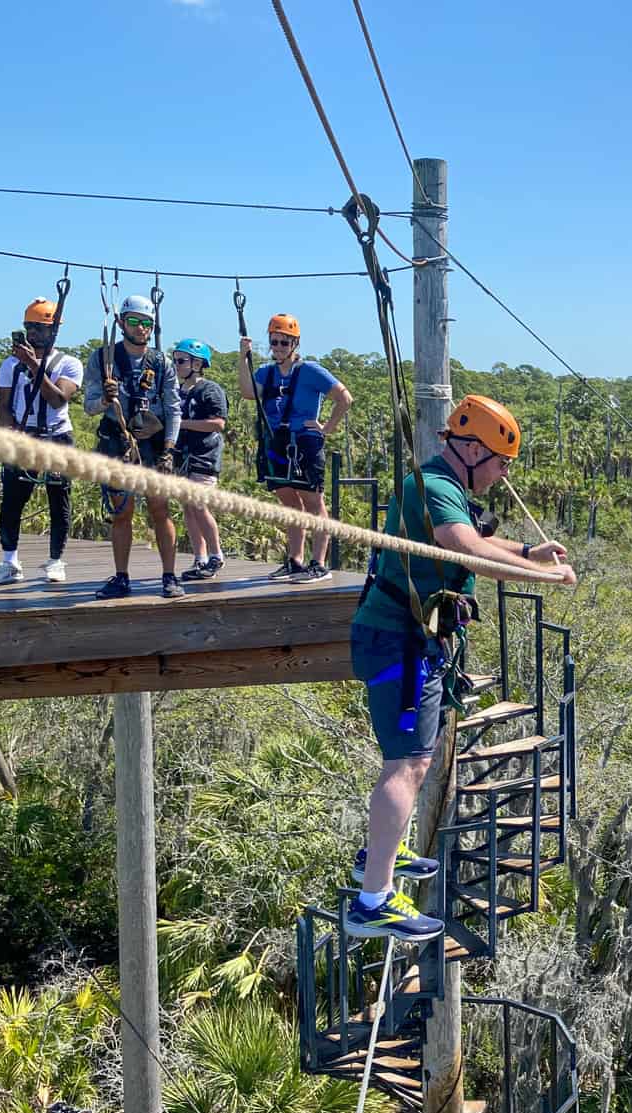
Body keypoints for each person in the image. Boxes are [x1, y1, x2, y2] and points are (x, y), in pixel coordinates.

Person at [345, 395, 576, 940]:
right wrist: (537, 575)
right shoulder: (429, 486)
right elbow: (463, 545)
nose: (501, 475)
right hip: (398, 643)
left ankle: (377, 857)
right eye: (499, 462)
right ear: (471, 449)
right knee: (409, 763)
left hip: (410, 640)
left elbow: (475, 534)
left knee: (411, 759)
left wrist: (528, 550)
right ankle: (372, 900)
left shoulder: (444, 487)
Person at [82, 295, 185, 599]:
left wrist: (168, 449)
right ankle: (121, 577)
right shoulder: (103, 359)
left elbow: (173, 408)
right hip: (118, 440)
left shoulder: (161, 362)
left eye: (147, 324)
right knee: (121, 511)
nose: (142, 329)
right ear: (121, 323)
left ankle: (169, 575)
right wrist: (106, 398)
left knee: (159, 509)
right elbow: (89, 406)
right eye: (135, 322)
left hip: (153, 441)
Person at [238, 313, 353, 584]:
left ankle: (319, 563)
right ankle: (295, 560)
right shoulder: (267, 372)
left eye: (284, 342)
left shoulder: (311, 371)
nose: (278, 347)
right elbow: (247, 392)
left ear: (295, 343)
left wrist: (327, 427)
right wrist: (243, 358)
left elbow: (344, 398)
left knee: (313, 501)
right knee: (289, 502)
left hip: (304, 442)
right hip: (276, 441)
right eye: (274, 342)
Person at [0, 297, 82, 586]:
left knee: (58, 500)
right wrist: (10, 428)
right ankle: (10, 562)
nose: (33, 333)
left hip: (56, 438)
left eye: (39, 327)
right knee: (12, 502)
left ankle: (55, 561)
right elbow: (3, 404)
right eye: (29, 327)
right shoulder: (10, 364)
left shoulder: (68, 363)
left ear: (53, 331)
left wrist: (33, 365)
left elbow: (57, 398)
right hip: (24, 438)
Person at [169, 339, 228, 581]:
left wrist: (181, 423)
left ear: (197, 363)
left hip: (204, 456)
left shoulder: (210, 390)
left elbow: (218, 423)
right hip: (182, 457)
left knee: (200, 506)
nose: (177, 365)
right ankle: (200, 557)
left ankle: (216, 555)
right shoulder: (178, 391)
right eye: (175, 360)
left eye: (181, 361)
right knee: (188, 508)